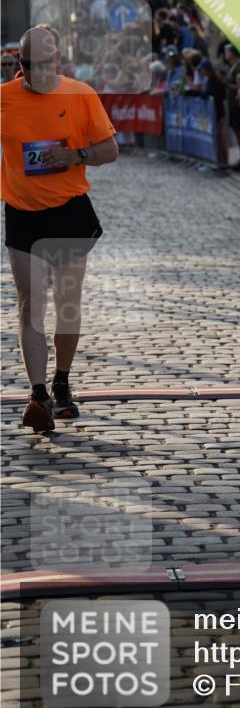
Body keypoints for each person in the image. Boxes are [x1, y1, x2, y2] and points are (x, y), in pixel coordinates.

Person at [0, 25, 118, 431]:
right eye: (34, 65)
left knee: (67, 305)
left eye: (50, 63)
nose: (43, 72)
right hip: (22, 212)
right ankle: (37, 395)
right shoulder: (4, 99)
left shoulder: (80, 94)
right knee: (31, 303)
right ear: (20, 64)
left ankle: (62, 382)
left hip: (69, 210)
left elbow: (110, 150)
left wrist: (74, 155)